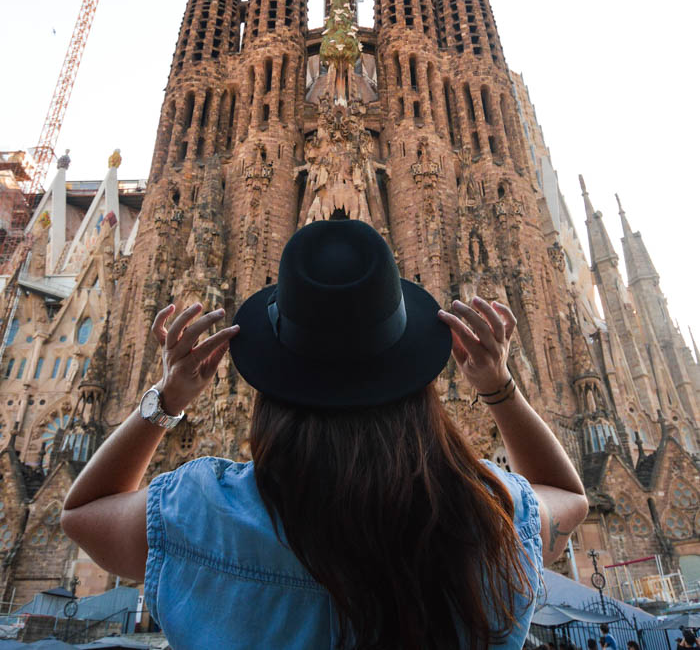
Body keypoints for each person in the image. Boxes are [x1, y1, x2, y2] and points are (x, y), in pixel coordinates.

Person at [61, 219, 589, 650]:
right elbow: (568, 497)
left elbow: (84, 513)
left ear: (272, 388)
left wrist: (167, 399)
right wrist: (499, 388)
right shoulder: (491, 518)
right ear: (415, 383)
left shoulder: (204, 513)